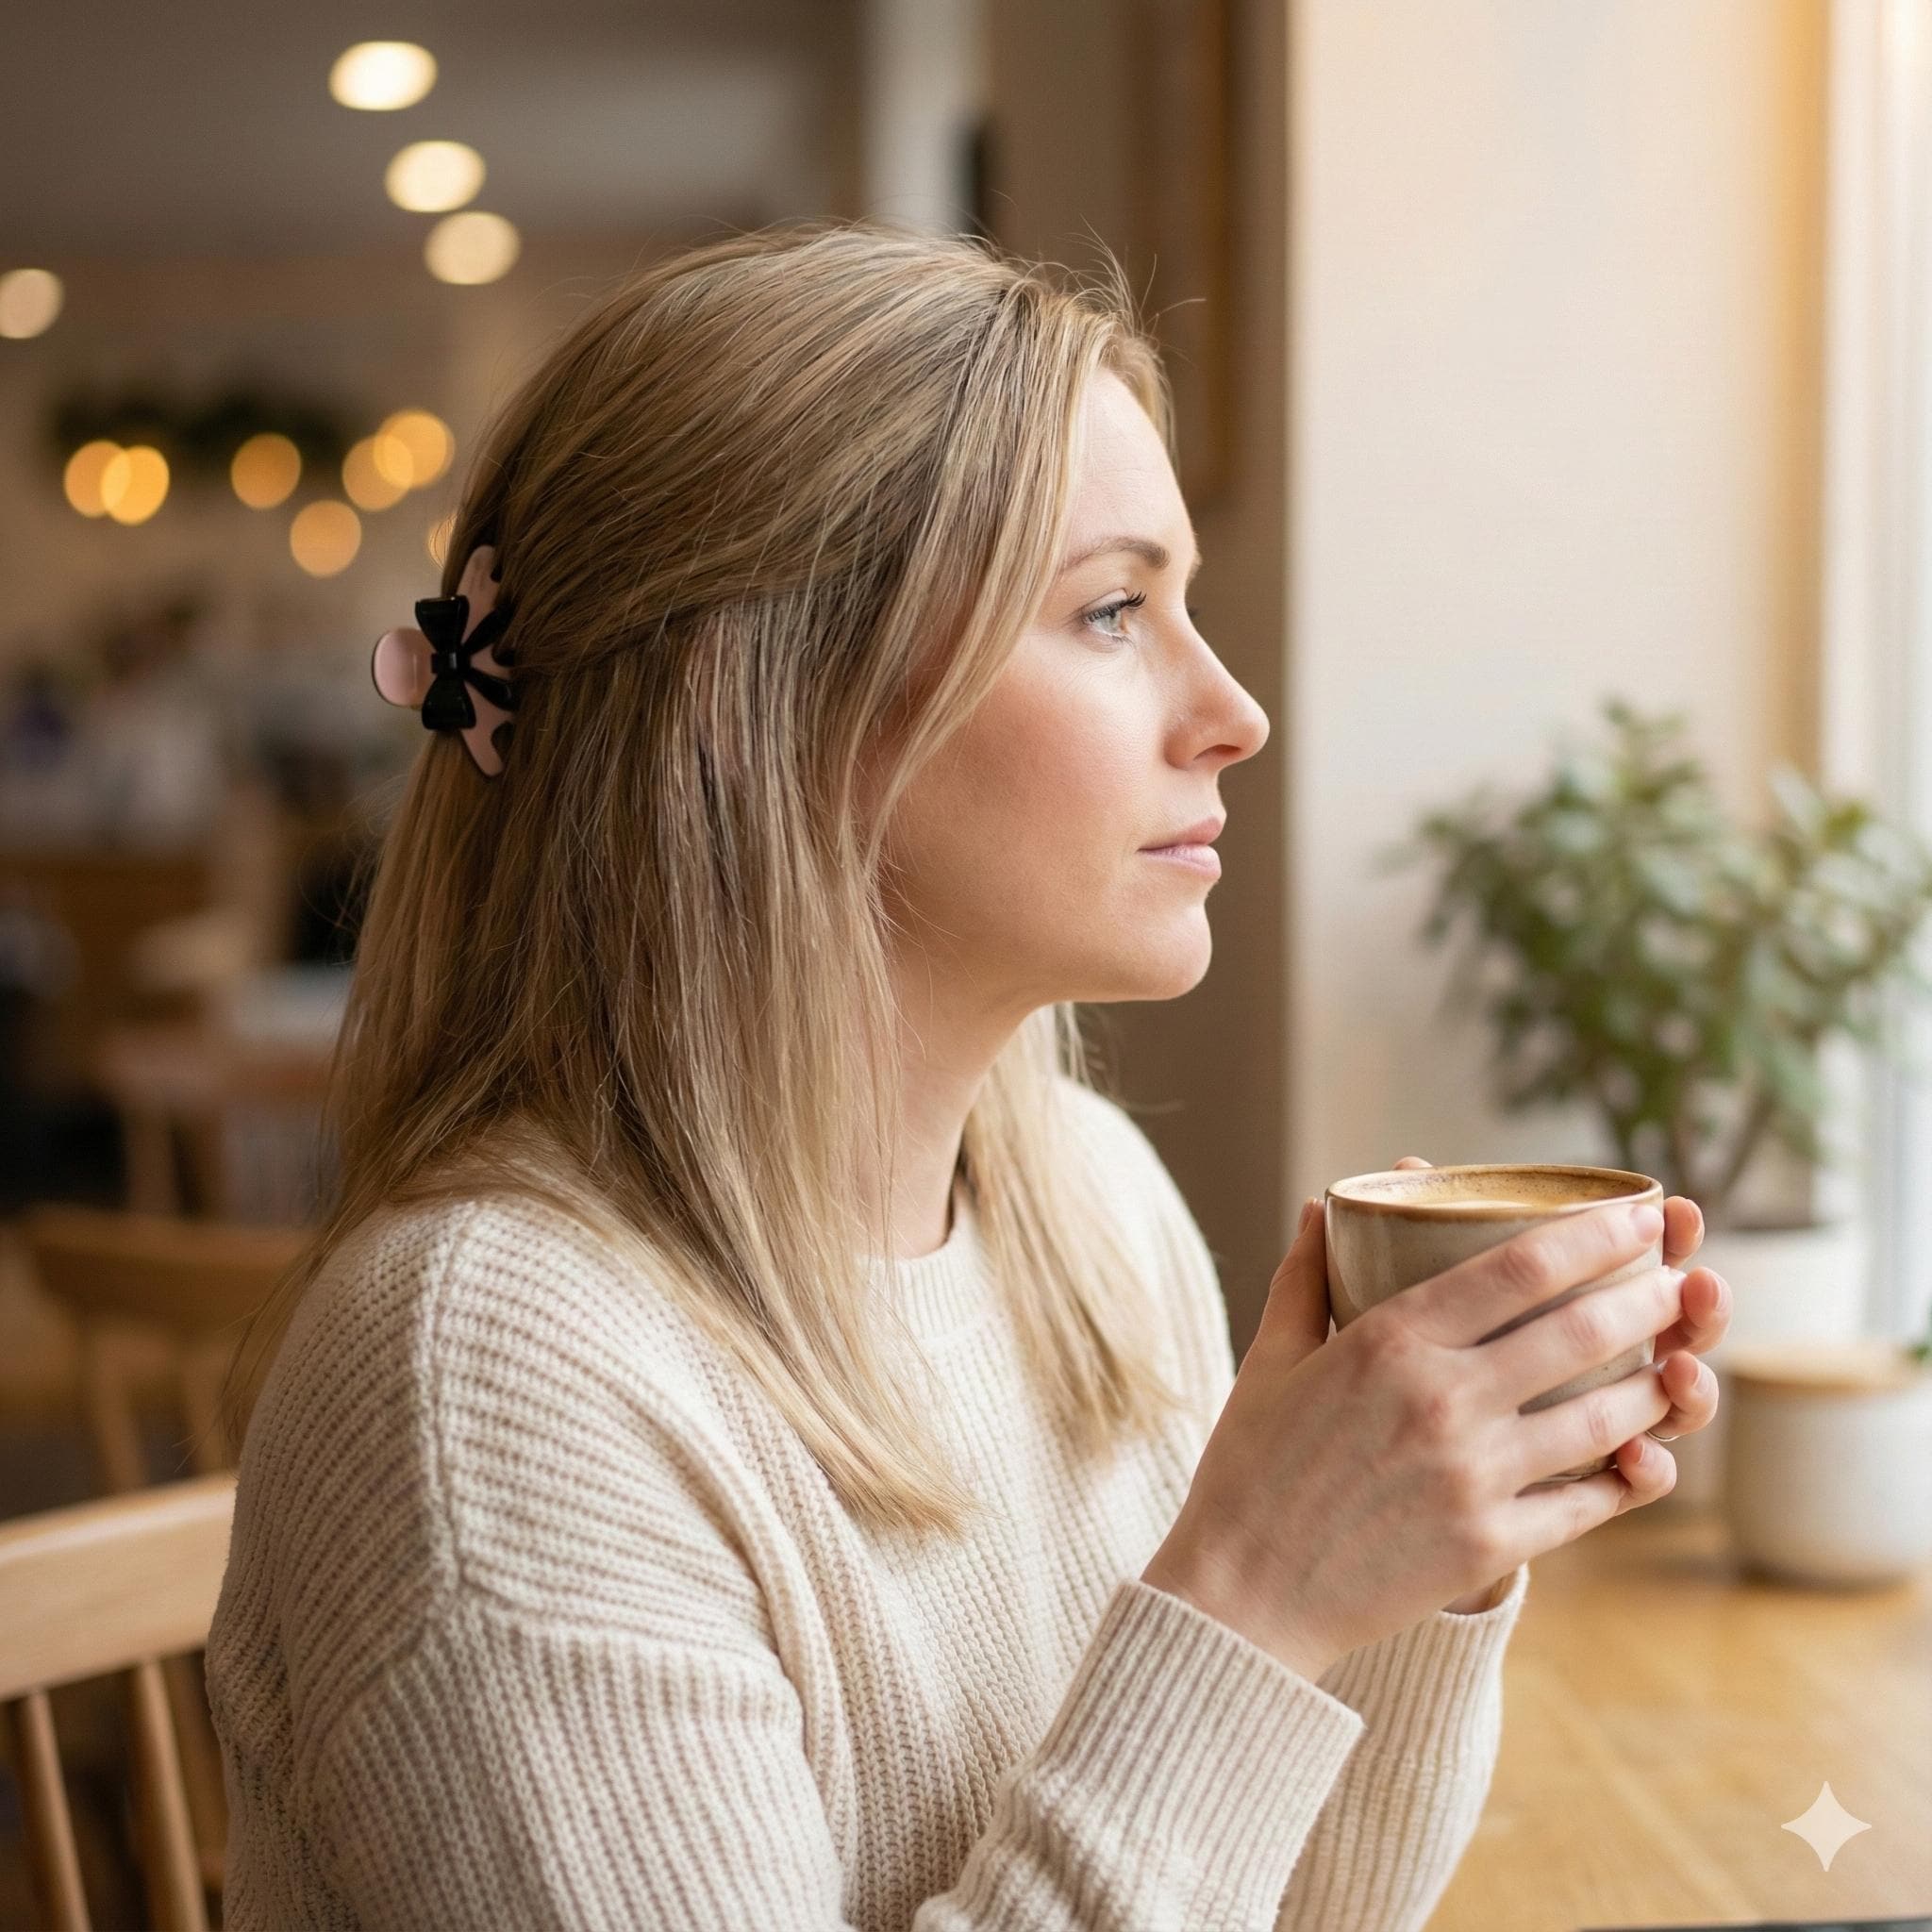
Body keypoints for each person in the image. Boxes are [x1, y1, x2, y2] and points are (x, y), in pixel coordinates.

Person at [206, 219, 1728, 1930]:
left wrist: (1416, 1566)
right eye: (1111, 611)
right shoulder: (491, 1382)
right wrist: (1256, 1599)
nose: (1233, 710)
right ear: (763, 705)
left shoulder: (1087, 1205)